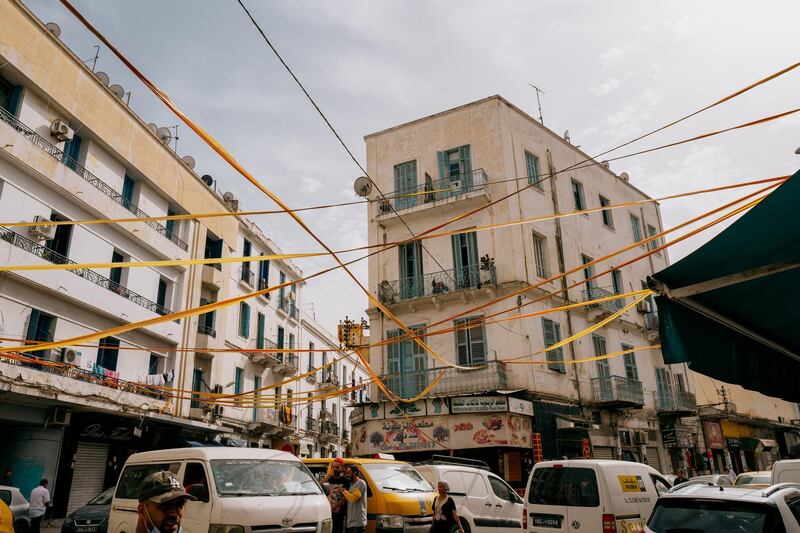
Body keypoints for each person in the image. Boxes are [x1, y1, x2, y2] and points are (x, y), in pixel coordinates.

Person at [337, 465, 367, 533]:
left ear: (355, 473)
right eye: (346, 473)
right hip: (351, 523)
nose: (347, 475)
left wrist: (343, 491)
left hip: (357, 523)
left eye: (348, 473)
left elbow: (353, 498)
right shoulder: (351, 485)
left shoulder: (360, 483)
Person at [323, 459, 348, 533]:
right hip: (329, 514)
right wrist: (327, 477)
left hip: (341, 514)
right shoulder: (329, 479)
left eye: (337, 467)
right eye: (333, 467)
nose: (335, 469)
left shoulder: (345, 480)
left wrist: (336, 505)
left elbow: (346, 498)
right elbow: (319, 486)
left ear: (342, 468)